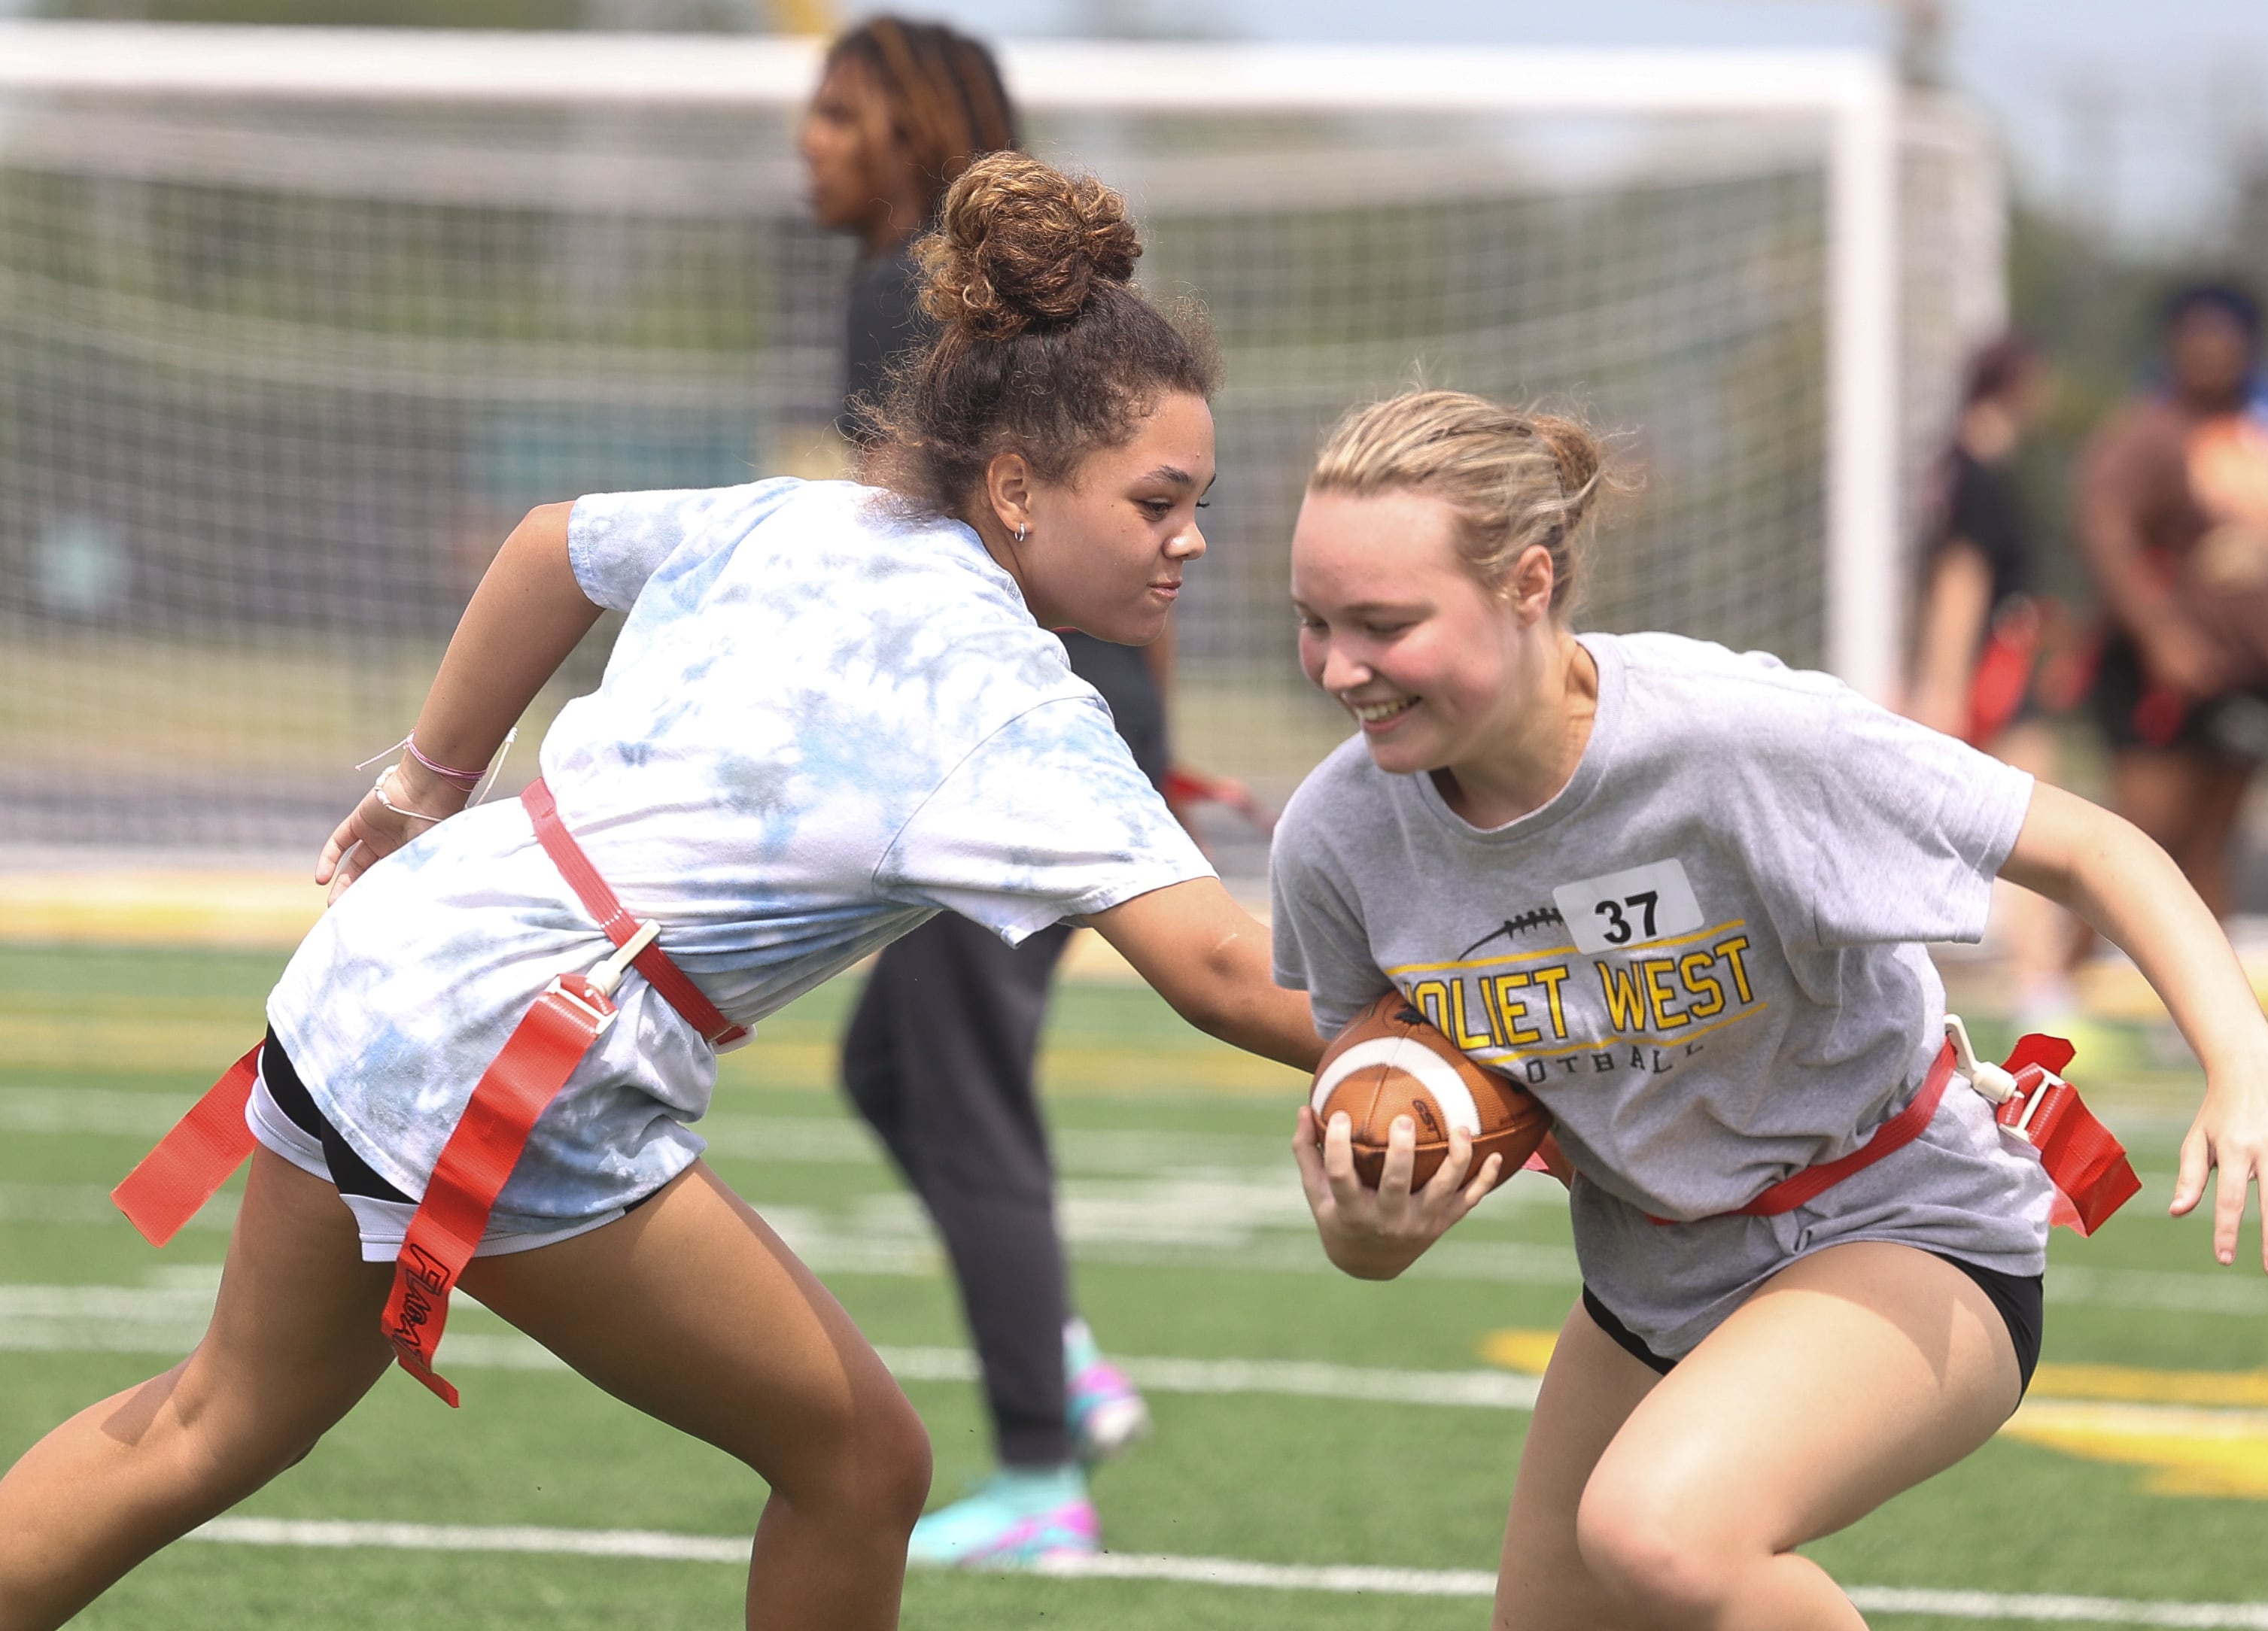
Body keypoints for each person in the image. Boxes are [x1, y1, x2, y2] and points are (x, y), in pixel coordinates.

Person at [0, 154, 1323, 1631]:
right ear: (1017, 485)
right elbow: (1223, 970)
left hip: (386, 963)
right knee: (861, 1465)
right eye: (1161, 502)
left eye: (1199, 502)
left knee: (211, 1420)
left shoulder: (815, 519)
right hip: (510, 1051)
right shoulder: (1005, 701)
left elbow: (550, 541)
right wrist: (1505, 1048)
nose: (1193, 540)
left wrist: (427, 779)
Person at [1269, 390, 2268, 1630]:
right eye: (1310, 622)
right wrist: (1368, 1226)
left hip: (1899, 1216)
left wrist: (2246, 1066)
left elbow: (2095, 848)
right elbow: (1390, 1145)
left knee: (1660, 1530)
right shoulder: (1338, 836)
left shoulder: (1735, 741)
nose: (1338, 668)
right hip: (1651, 1272)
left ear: (1527, 583)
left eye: (1382, 623)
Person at [802, 16, 1169, 1564]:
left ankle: (1044, 1469)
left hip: (1007, 734)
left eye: (836, 112)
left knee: (956, 1082)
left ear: (912, 129)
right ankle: (1062, 1363)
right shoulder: (914, 293)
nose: (807, 138)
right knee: (893, 1063)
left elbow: (972, 553)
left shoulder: (911, 300)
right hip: (1063, 712)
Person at [2078, 281, 2268, 923]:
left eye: (2224, 338)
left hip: (2249, 676)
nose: (2210, 353)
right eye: (2197, 337)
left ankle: (2194, 1013)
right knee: (2137, 838)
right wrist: (2160, 634)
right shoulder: (2147, 435)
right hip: (2157, 677)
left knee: (2210, 845)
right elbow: (2106, 534)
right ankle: (2057, 986)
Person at [1905, 336, 2079, 1028]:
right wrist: (1943, 689)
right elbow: (1959, 585)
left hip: (1992, 673)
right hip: (1987, 683)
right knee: (2039, 823)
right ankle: (2042, 993)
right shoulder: (1974, 475)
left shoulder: (1961, 470)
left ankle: (2041, 986)